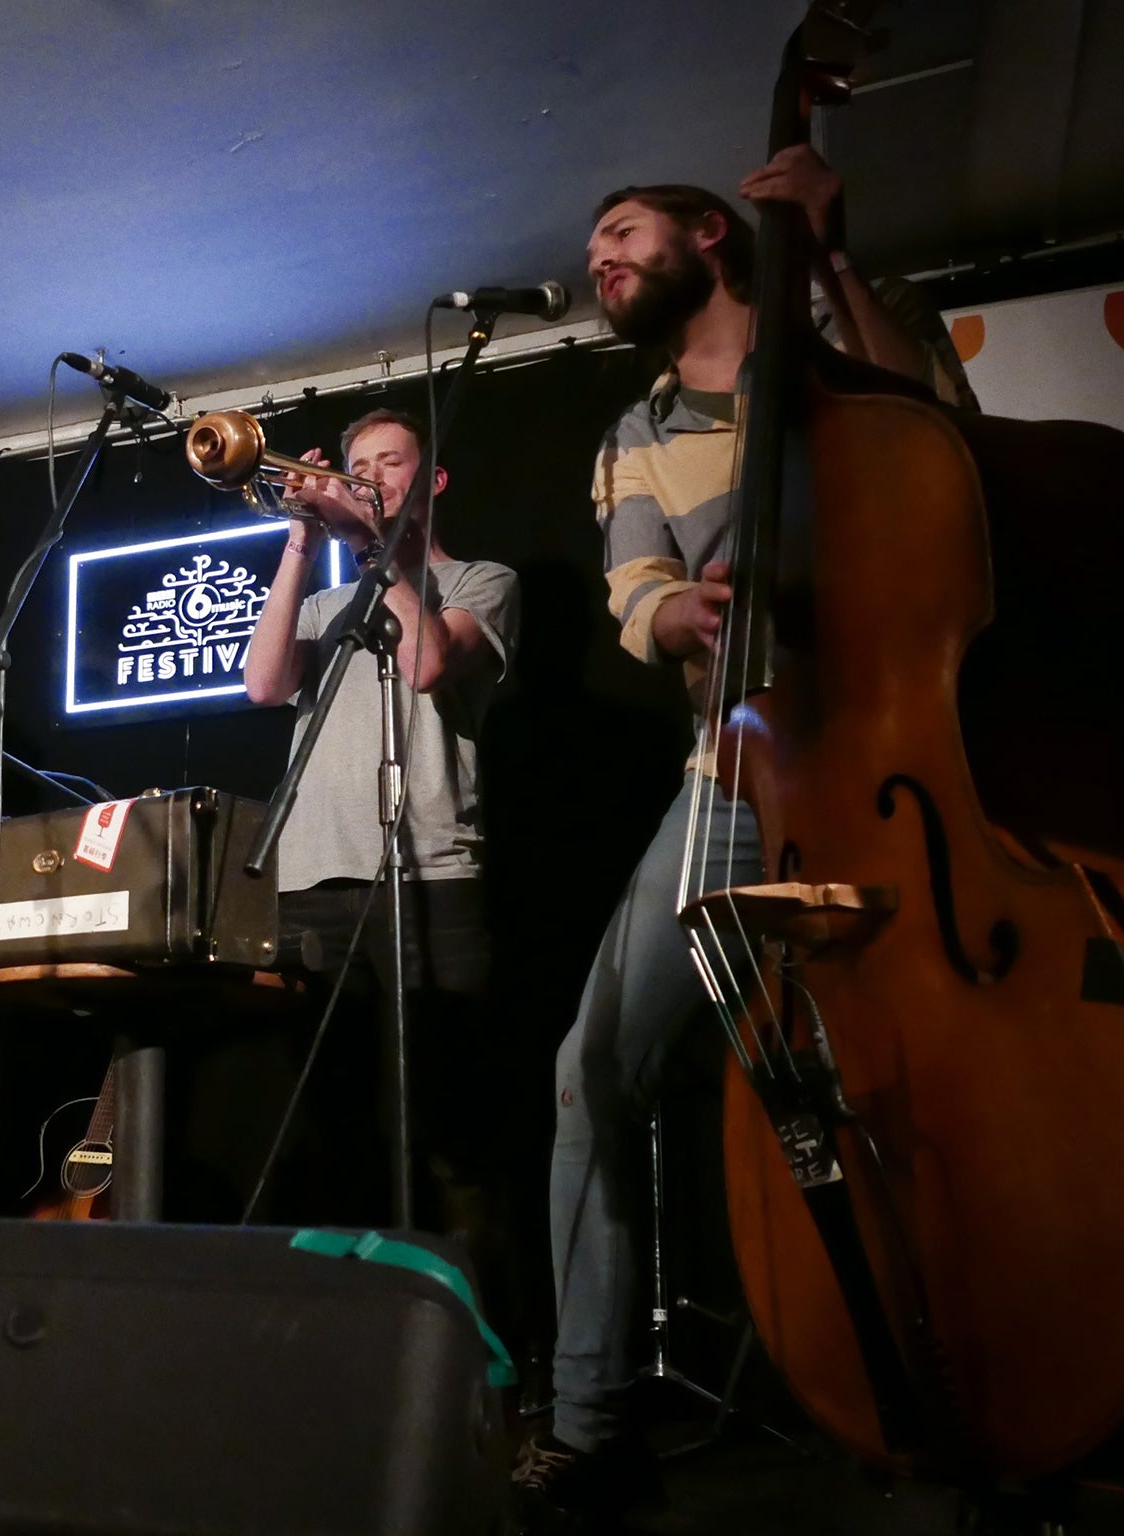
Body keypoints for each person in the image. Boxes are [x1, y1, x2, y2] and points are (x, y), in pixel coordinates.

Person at [512, 147, 975, 1526]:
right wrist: (678, 618)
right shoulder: (636, 431)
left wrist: (828, 259)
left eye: (624, 229)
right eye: (593, 242)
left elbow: (939, 422)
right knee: (588, 1070)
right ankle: (595, 1427)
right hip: (736, 771)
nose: (600, 257)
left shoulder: (841, 334)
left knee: (912, 1081)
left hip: (908, 760)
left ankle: (959, 1393)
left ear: (712, 234)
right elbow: (634, 590)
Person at [241, 407, 519, 1235]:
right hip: (314, 881)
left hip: (431, 879)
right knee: (332, 1134)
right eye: (357, 465)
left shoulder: (482, 581)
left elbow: (428, 660)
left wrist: (370, 543)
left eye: (389, 464)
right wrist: (299, 535)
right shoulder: (328, 603)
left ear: (430, 483)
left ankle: (483, 1345)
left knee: (451, 1136)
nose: (369, 478)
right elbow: (261, 684)